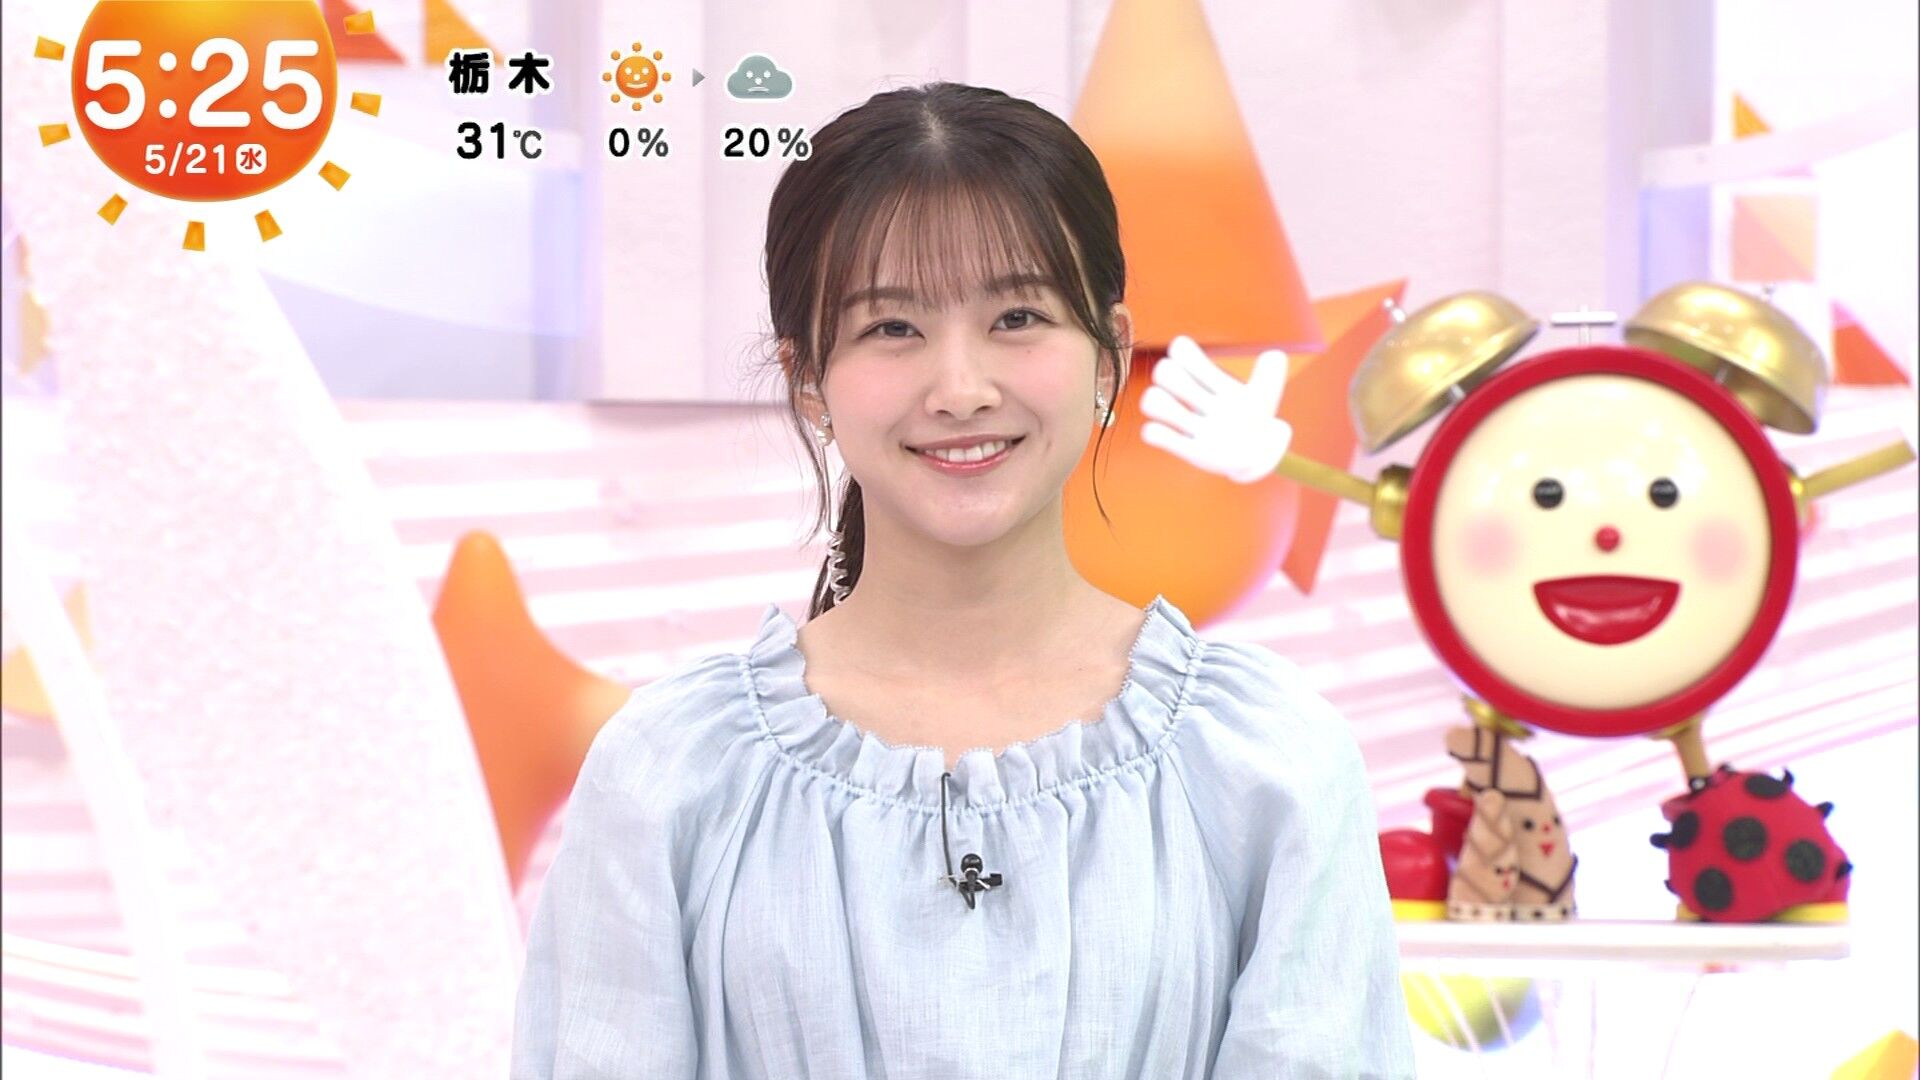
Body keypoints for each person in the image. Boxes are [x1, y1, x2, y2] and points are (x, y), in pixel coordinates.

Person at [510, 81, 1414, 1078]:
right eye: (892, 329)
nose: (961, 388)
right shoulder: (673, 770)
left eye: (1017, 316)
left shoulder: (1265, 759)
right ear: (808, 379)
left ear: (1108, 355)